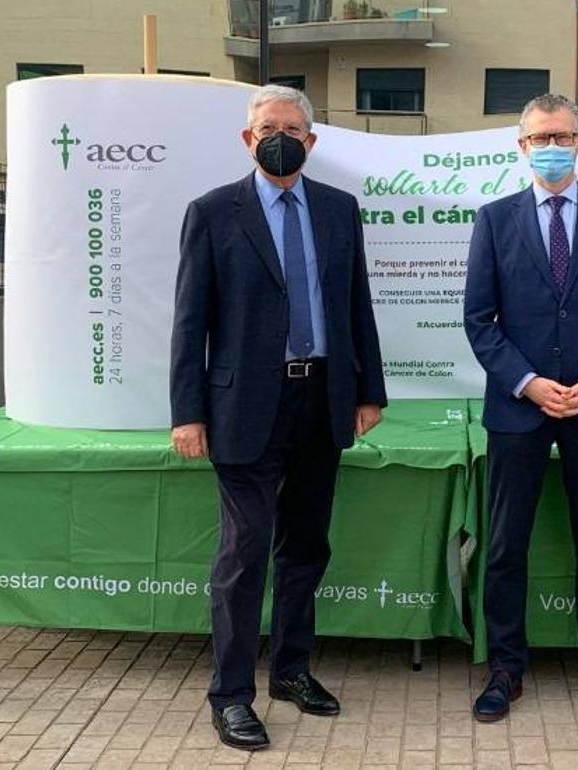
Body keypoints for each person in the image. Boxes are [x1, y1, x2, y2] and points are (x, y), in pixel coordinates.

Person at [170, 84, 387, 751]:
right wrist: (187, 412)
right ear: (247, 137)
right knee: (243, 555)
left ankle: (290, 671)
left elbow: (356, 305)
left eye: (292, 127)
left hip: (321, 400)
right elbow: (190, 321)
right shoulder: (212, 213)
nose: (280, 136)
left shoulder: (338, 210)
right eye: (268, 126)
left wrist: (368, 392)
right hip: (242, 408)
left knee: (305, 548)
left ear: (312, 140)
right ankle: (230, 695)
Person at [463, 93, 578, 723]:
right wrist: (528, 382)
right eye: (541, 137)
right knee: (506, 546)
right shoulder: (493, 219)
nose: (552, 147)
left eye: (564, 136)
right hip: (518, 409)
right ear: (521, 146)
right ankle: (504, 668)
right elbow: (479, 321)